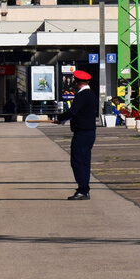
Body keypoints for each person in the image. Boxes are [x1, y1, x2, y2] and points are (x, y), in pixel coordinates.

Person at [56, 69, 98, 200]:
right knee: (85, 161)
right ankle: (84, 188)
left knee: (77, 161)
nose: (74, 83)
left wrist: (60, 118)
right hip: (89, 132)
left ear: (78, 82)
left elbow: (73, 111)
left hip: (82, 133)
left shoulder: (82, 95)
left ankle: (82, 189)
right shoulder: (91, 94)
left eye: (75, 81)